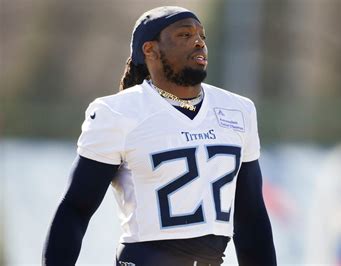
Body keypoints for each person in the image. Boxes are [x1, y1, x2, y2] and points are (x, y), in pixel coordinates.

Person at [42, 6, 277, 266]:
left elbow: (251, 215)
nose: (199, 42)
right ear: (150, 50)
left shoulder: (238, 109)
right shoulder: (118, 112)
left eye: (202, 36)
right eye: (185, 35)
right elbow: (76, 209)